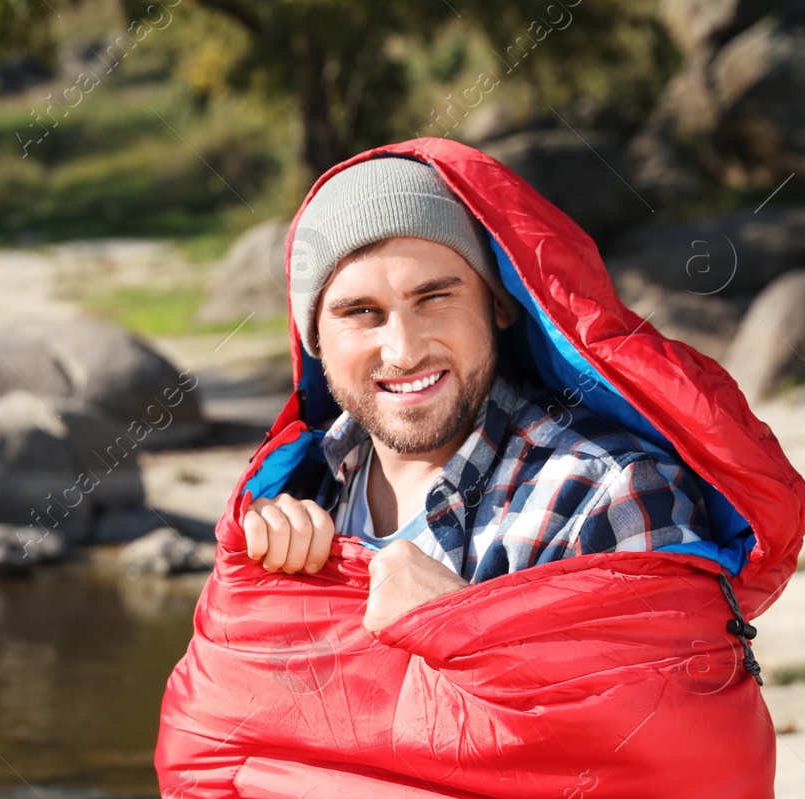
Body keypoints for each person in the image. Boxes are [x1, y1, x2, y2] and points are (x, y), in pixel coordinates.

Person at [240, 156, 711, 632]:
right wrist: (258, 554)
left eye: (435, 298)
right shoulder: (297, 490)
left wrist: (466, 625)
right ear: (315, 340)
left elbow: (666, 700)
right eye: (362, 312)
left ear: (499, 305)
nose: (404, 353)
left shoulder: (608, 496)